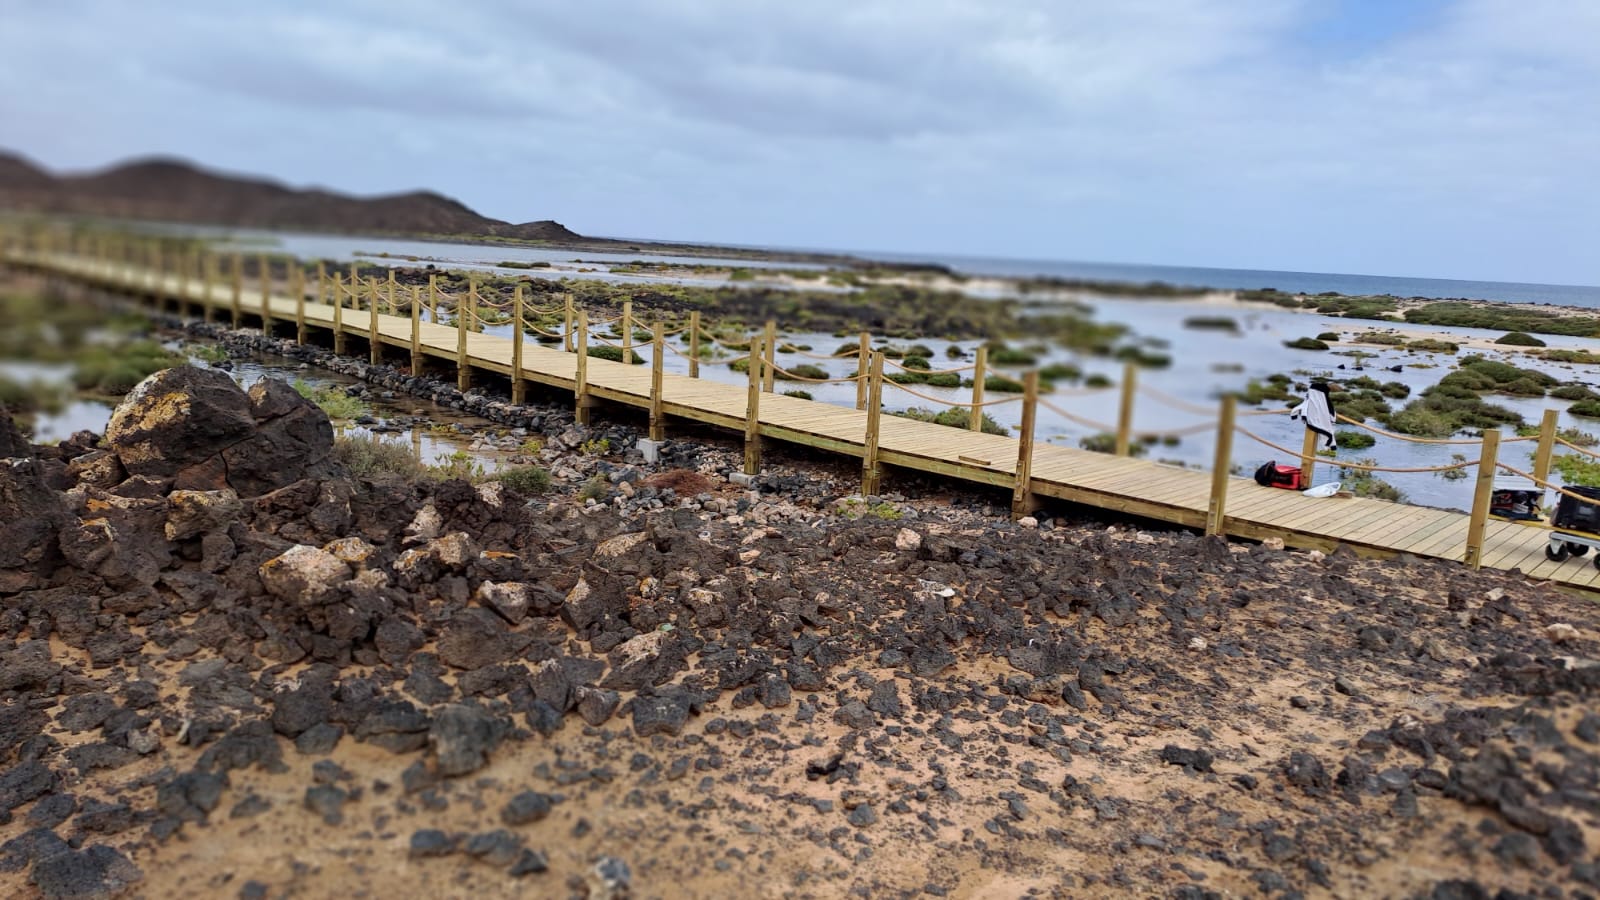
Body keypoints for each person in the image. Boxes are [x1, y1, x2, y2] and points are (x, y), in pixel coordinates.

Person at [1290, 382, 1337, 450]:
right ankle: (1328, 447)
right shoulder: (1318, 396)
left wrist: (1294, 414)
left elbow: (1303, 405)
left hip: (1312, 421)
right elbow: (1331, 411)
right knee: (1324, 429)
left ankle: (1328, 447)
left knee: (1323, 430)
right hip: (1312, 421)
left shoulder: (1314, 395)